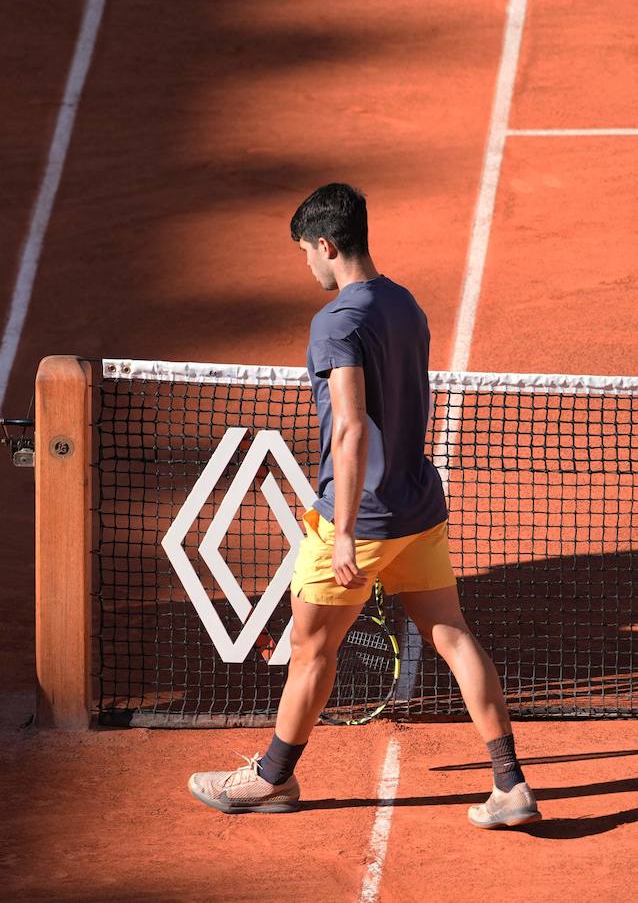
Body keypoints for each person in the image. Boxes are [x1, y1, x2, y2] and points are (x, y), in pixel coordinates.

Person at [187, 183, 540, 829]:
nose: (308, 267)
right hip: (418, 507)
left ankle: (271, 780)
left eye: (306, 254)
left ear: (326, 245)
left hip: (363, 517)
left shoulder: (336, 323)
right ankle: (511, 783)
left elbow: (349, 429)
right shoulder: (405, 305)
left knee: (310, 646)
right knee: (452, 634)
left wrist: (344, 531)